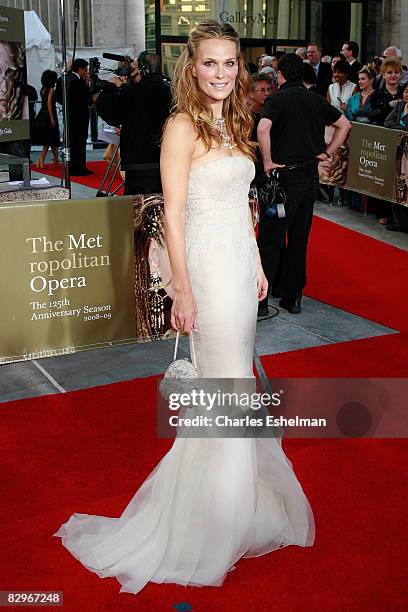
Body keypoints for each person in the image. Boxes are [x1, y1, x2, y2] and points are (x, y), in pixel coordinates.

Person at [55, 20, 315, 595]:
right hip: (205, 275)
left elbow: (238, 201)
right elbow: (172, 215)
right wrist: (185, 290)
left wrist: (258, 262)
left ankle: (234, 508)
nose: (221, 73)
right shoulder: (180, 126)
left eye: (229, 63)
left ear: (238, 67)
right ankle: (211, 523)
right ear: (192, 68)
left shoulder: (235, 120)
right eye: (210, 63)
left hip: (238, 267)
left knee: (236, 386)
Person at [257, 53, 351, 315]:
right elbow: (344, 124)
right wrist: (327, 151)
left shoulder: (277, 99)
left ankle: (261, 302)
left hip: (283, 181)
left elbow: (263, 129)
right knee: (299, 239)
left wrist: (267, 161)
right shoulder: (315, 99)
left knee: (271, 239)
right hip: (309, 179)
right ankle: (293, 298)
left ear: (281, 75)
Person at [96, 52, 171, 195]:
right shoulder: (170, 90)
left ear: (143, 70)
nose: (130, 73)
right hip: (167, 162)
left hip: (139, 163)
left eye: (133, 69)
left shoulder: (133, 92)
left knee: (138, 211)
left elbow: (110, 112)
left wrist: (110, 88)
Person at [68, 58, 93, 176]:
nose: (87, 72)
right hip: (78, 117)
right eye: (85, 69)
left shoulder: (68, 79)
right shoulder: (76, 81)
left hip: (73, 116)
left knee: (76, 142)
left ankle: (79, 166)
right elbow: (84, 98)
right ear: (80, 69)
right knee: (78, 143)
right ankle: (78, 167)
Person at [32, 70, 60, 168]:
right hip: (49, 114)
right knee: (50, 139)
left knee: (51, 139)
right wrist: (52, 118)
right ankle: (41, 159)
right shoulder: (51, 89)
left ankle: (55, 160)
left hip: (42, 114)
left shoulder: (43, 89)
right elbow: (49, 103)